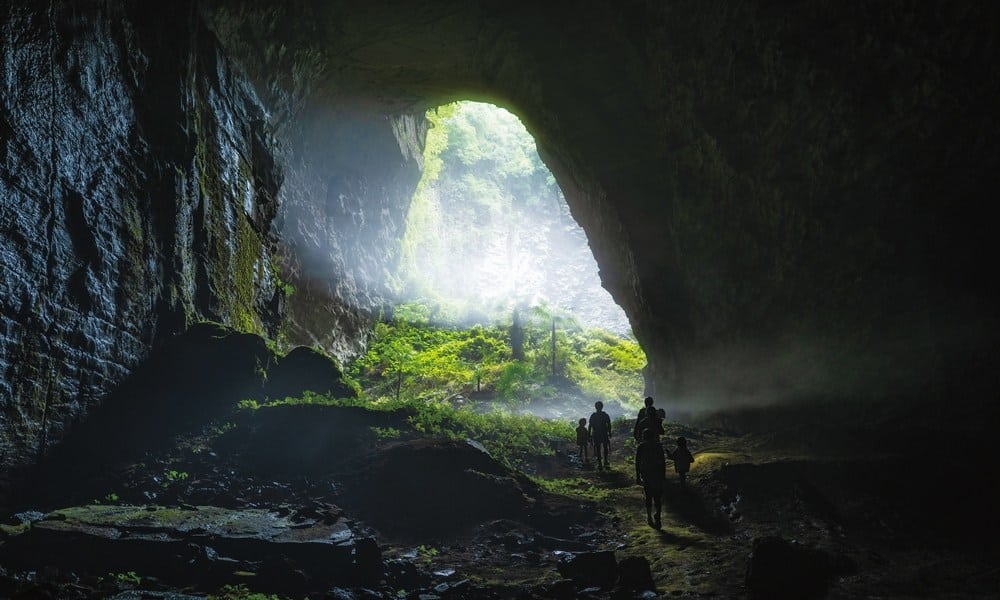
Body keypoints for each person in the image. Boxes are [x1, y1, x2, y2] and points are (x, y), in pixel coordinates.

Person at [635, 427, 666, 529]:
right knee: (657, 497)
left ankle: (649, 517)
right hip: (657, 474)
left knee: (648, 496)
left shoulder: (641, 447)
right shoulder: (658, 446)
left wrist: (638, 475)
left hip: (647, 474)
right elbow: (663, 462)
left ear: (644, 437)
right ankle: (658, 516)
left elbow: (637, 462)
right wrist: (663, 475)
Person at [588, 401, 612, 469]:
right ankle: (605, 461)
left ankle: (600, 463)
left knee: (598, 448)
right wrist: (609, 432)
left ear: (595, 407)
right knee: (605, 447)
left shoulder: (593, 415)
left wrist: (589, 435)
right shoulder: (605, 415)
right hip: (604, 433)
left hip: (596, 434)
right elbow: (609, 424)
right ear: (602, 407)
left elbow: (590, 426)